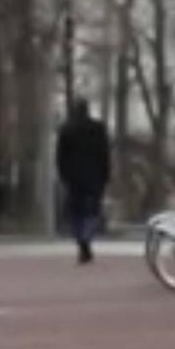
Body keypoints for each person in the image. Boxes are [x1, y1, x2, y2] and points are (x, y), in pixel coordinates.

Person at [55, 99, 113, 264]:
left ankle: (82, 241)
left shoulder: (67, 129)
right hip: (95, 176)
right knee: (93, 211)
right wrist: (106, 174)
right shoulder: (98, 128)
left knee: (76, 213)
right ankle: (87, 237)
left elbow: (60, 157)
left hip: (73, 177)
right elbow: (104, 153)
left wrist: (63, 174)